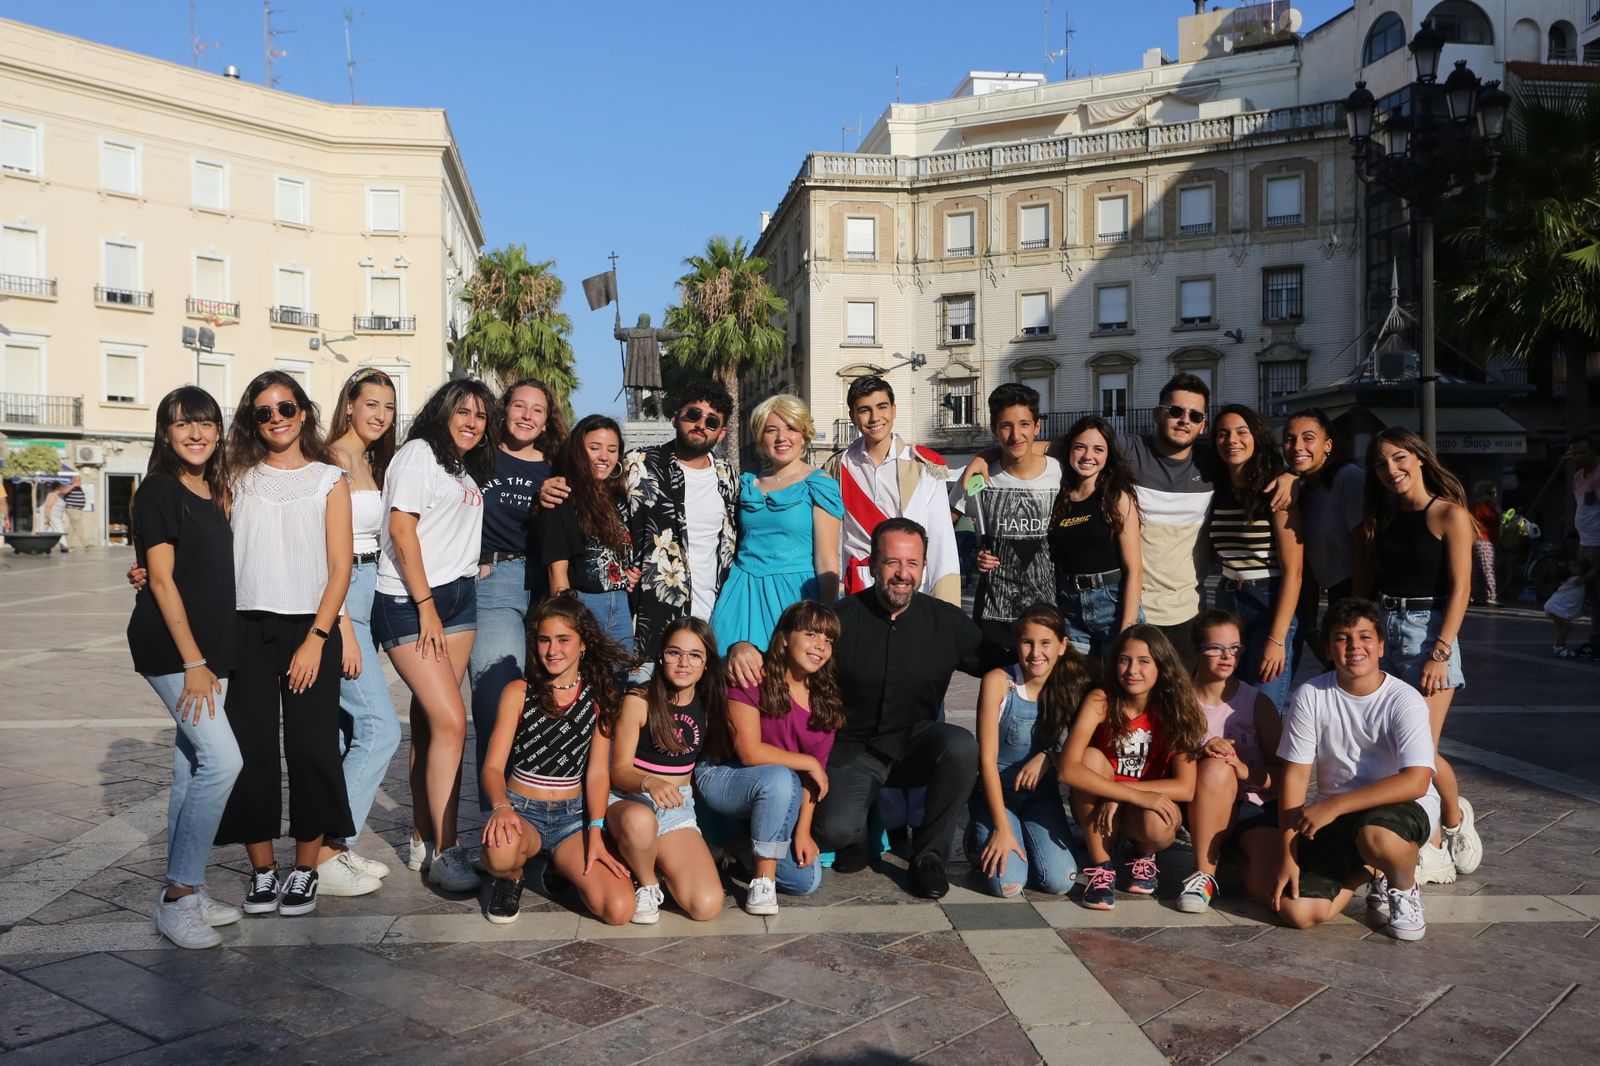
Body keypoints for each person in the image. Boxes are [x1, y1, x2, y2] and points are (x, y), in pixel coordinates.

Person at [729, 518, 1006, 899]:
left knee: (960, 746)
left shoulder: (946, 621)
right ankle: (860, 830)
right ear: (873, 565)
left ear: (924, 567)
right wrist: (740, 648)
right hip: (852, 751)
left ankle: (929, 858)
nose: (902, 574)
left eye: (912, 563)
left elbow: (1001, 662)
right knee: (835, 831)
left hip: (914, 745)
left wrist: (1053, 657)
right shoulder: (841, 620)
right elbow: (783, 654)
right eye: (892, 562)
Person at [217, 370, 368, 917]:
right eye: (264, 412)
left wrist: (318, 638)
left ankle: (306, 868)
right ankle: (262, 871)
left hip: (311, 628)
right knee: (250, 751)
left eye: (285, 408)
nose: (276, 418)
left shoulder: (329, 480)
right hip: (246, 628)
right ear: (252, 421)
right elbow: (207, 550)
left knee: (312, 749)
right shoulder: (236, 479)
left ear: (303, 412)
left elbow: (340, 567)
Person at [127, 386, 244, 948]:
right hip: (176, 652)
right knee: (223, 762)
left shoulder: (215, 489)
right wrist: (194, 661)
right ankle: (178, 897)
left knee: (191, 769)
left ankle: (187, 891)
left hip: (211, 651)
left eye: (206, 423)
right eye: (183, 424)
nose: (196, 434)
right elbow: (162, 579)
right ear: (165, 433)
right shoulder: (158, 490)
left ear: (219, 430)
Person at [373, 379, 498, 893]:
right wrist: (425, 606)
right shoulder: (418, 455)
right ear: (442, 412)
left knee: (431, 726)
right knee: (452, 722)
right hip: (410, 602)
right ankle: (448, 850)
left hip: (460, 598)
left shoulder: (462, 467)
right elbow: (401, 530)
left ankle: (422, 838)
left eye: (481, 416)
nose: (472, 422)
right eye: (463, 411)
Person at [540, 380, 739, 672]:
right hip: (650, 619)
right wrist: (550, 485)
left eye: (712, 421)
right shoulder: (638, 464)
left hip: (714, 615)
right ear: (676, 417)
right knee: (638, 693)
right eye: (693, 414)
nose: (701, 425)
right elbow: (592, 489)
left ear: (721, 433)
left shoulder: (728, 477)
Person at [1271, 598, 1439, 941]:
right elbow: (1295, 777)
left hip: (1399, 807)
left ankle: (1404, 887)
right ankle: (1369, 870)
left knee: (1377, 836)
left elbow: (1417, 781)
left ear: (1381, 646)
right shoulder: (1310, 695)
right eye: (1342, 638)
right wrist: (1288, 854)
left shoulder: (1404, 699)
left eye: (1364, 637)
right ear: (1328, 649)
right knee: (1298, 912)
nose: (1354, 646)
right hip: (1335, 815)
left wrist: (1335, 805)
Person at [1358, 426, 1483, 886]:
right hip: (1385, 632)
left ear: (1420, 458)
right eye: (1381, 463)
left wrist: (1441, 652)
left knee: (1420, 752)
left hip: (1428, 634)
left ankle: (1434, 844)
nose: (1391, 469)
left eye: (1399, 458)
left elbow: (1462, 589)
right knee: (1393, 746)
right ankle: (1453, 813)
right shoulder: (1382, 518)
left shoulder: (1449, 514)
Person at [477, 596, 636, 926]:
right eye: (544, 640)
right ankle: (512, 876)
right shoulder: (519, 692)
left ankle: (556, 868)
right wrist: (501, 807)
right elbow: (492, 768)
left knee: (619, 910)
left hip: (571, 819)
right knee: (499, 855)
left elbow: (596, 773)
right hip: (522, 811)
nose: (552, 650)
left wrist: (596, 830)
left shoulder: (598, 697)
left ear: (583, 643)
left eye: (563, 639)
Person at [698, 601, 843, 913]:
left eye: (828, 639)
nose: (820, 645)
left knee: (806, 880)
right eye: (811, 634)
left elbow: (812, 781)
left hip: (782, 792)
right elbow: (750, 752)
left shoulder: (825, 699)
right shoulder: (754, 675)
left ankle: (736, 848)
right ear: (785, 638)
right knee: (781, 777)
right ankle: (762, 882)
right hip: (722, 775)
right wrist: (809, 762)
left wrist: (803, 832)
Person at [1055, 625, 1204, 910]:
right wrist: (1122, 793)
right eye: (1125, 660)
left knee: (1157, 821)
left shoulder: (1176, 706)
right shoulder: (1101, 699)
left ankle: (1143, 855)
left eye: (1144, 661)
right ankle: (1101, 867)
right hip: (1100, 809)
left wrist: (1122, 793)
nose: (1132, 670)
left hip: (1143, 812)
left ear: (1162, 665)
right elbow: (1068, 770)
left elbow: (1186, 787)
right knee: (1089, 758)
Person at [322, 368, 403, 889]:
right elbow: (321, 554)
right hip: (343, 595)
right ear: (349, 405)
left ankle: (329, 851)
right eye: (371, 403)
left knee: (345, 730)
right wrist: (345, 628)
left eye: (388, 406)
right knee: (380, 728)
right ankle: (329, 851)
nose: (380, 414)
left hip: (370, 589)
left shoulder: (373, 462)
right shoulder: (328, 460)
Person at [469, 379, 564, 814]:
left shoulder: (557, 466)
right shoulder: (479, 457)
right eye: (519, 406)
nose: (527, 416)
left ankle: (542, 810)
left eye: (537, 410)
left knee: (547, 702)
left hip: (546, 585)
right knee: (496, 696)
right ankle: (497, 815)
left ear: (547, 421)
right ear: (504, 410)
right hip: (494, 579)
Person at [605, 617, 727, 924]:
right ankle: (647, 882)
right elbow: (618, 771)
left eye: (695, 655)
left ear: (706, 663)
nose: (684, 662)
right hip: (630, 799)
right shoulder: (639, 700)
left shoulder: (709, 704)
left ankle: (652, 858)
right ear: (661, 657)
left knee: (706, 905)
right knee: (640, 821)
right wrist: (650, 783)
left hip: (676, 808)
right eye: (675, 653)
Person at [967, 603, 1089, 899]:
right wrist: (1001, 828)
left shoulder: (1074, 685)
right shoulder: (999, 682)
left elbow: (1079, 746)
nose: (1036, 653)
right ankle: (980, 836)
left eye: (1045, 643)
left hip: (1040, 797)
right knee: (1008, 885)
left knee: (1060, 881)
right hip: (997, 794)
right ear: (1016, 644)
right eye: (1027, 642)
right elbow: (986, 760)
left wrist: (1048, 755)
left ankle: (1025, 834)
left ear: (1062, 645)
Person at [708, 394, 842, 655]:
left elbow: (827, 559)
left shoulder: (820, 484)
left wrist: (826, 619)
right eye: (772, 430)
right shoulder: (746, 484)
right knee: (731, 672)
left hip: (795, 596)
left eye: (791, 428)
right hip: (740, 593)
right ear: (761, 437)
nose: (782, 437)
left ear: (803, 434)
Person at [1178, 609, 1282, 914]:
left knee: (1264, 890)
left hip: (1254, 806)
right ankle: (1204, 874)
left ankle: (1231, 853)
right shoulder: (1179, 701)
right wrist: (1201, 753)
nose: (1227, 656)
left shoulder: (1257, 703)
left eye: (1235, 648)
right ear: (1196, 650)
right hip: (1198, 800)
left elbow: (1285, 776)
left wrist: (1244, 770)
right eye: (1215, 648)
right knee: (1216, 765)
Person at [825, 375, 960, 605]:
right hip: (857, 589)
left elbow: (941, 540)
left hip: (908, 586)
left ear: (894, 410)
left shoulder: (924, 466)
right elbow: (834, 539)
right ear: (853, 416)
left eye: (882, 407)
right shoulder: (836, 467)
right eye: (864, 410)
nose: (875, 417)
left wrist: (948, 608)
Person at [950, 384, 1061, 651]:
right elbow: (941, 527)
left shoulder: (1060, 473)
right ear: (994, 429)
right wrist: (973, 556)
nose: (1016, 435)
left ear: (1037, 426)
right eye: (1006, 426)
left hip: (1046, 616)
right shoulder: (976, 477)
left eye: (1024, 424)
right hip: (994, 615)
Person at [1209, 404, 1305, 713]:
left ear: (1256, 437)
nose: (1232, 440)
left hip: (1268, 603)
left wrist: (1277, 639)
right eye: (1223, 433)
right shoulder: (1217, 488)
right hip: (1227, 601)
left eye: (1241, 432)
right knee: (1229, 705)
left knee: (1263, 707)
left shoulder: (1275, 489)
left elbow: (1294, 572)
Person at [1046, 415, 1143, 662]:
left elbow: (1134, 569)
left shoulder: (1117, 498)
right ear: (1069, 449)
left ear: (1108, 455)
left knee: (1118, 681)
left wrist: (1128, 627)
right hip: (1069, 604)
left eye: (1098, 449)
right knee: (1077, 682)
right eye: (1080, 447)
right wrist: (985, 456)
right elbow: (1027, 449)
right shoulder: (1058, 495)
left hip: (1113, 603)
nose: (1088, 456)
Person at [542, 414, 638, 653]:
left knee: (620, 674)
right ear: (577, 450)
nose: (604, 457)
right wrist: (566, 624)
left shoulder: (618, 499)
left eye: (612, 450)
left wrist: (627, 573)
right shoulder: (561, 495)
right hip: (583, 604)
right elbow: (557, 572)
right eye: (594, 448)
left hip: (620, 605)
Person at [1282, 409, 1364, 671]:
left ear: (1328, 445)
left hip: (1358, 597)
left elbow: (1365, 549)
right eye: (1289, 439)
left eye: (1308, 438)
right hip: (1335, 602)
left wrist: (1357, 614)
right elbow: (1305, 566)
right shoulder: (1303, 489)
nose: (1297, 446)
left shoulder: (1348, 477)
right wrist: (1310, 628)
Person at [1565, 434, 1600, 657]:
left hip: (1598, 543)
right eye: (1574, 453)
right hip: (1585, 542)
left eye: (1582, 452)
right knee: (1592, 596)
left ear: (1594, 451)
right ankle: (1595, 641)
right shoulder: (1578, 477)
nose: (1578, 457)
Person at [1545, 557, 1593, 658]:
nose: (1578, 567)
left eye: (1577, 565)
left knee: (1562, 628)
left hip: (1554, 607)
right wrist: (1597, 568)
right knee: (1568, 626)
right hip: (1556, 607)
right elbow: (1587, 577)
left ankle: (1562, 645)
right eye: (1574, 566)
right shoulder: (1574, 580)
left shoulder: (1570, 580)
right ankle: (1558, 647)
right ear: (1568, 572)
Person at [1469, 481, 1501, 607]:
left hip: (1475, 542)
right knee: (1488, 570)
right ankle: (1491, 597)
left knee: (1476, 571)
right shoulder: (1483, 508)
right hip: (1484, 541)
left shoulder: (1474, 507)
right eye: (1491, 493)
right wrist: (1497, 508)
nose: (1494, 496)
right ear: (1483, 494)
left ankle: (1477, 597)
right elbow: (1495, 517)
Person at [63, 474, 93, 550]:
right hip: (73, 509)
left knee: (71, 529)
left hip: (77, 510)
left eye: (80, 480)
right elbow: (64, 491)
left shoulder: (79, 488)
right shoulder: (70, 486)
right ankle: (86, 544)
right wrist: (73, 485)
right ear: (73, 481)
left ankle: (66, 544)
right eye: (77, 480)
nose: (79, 482)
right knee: (79, 527)